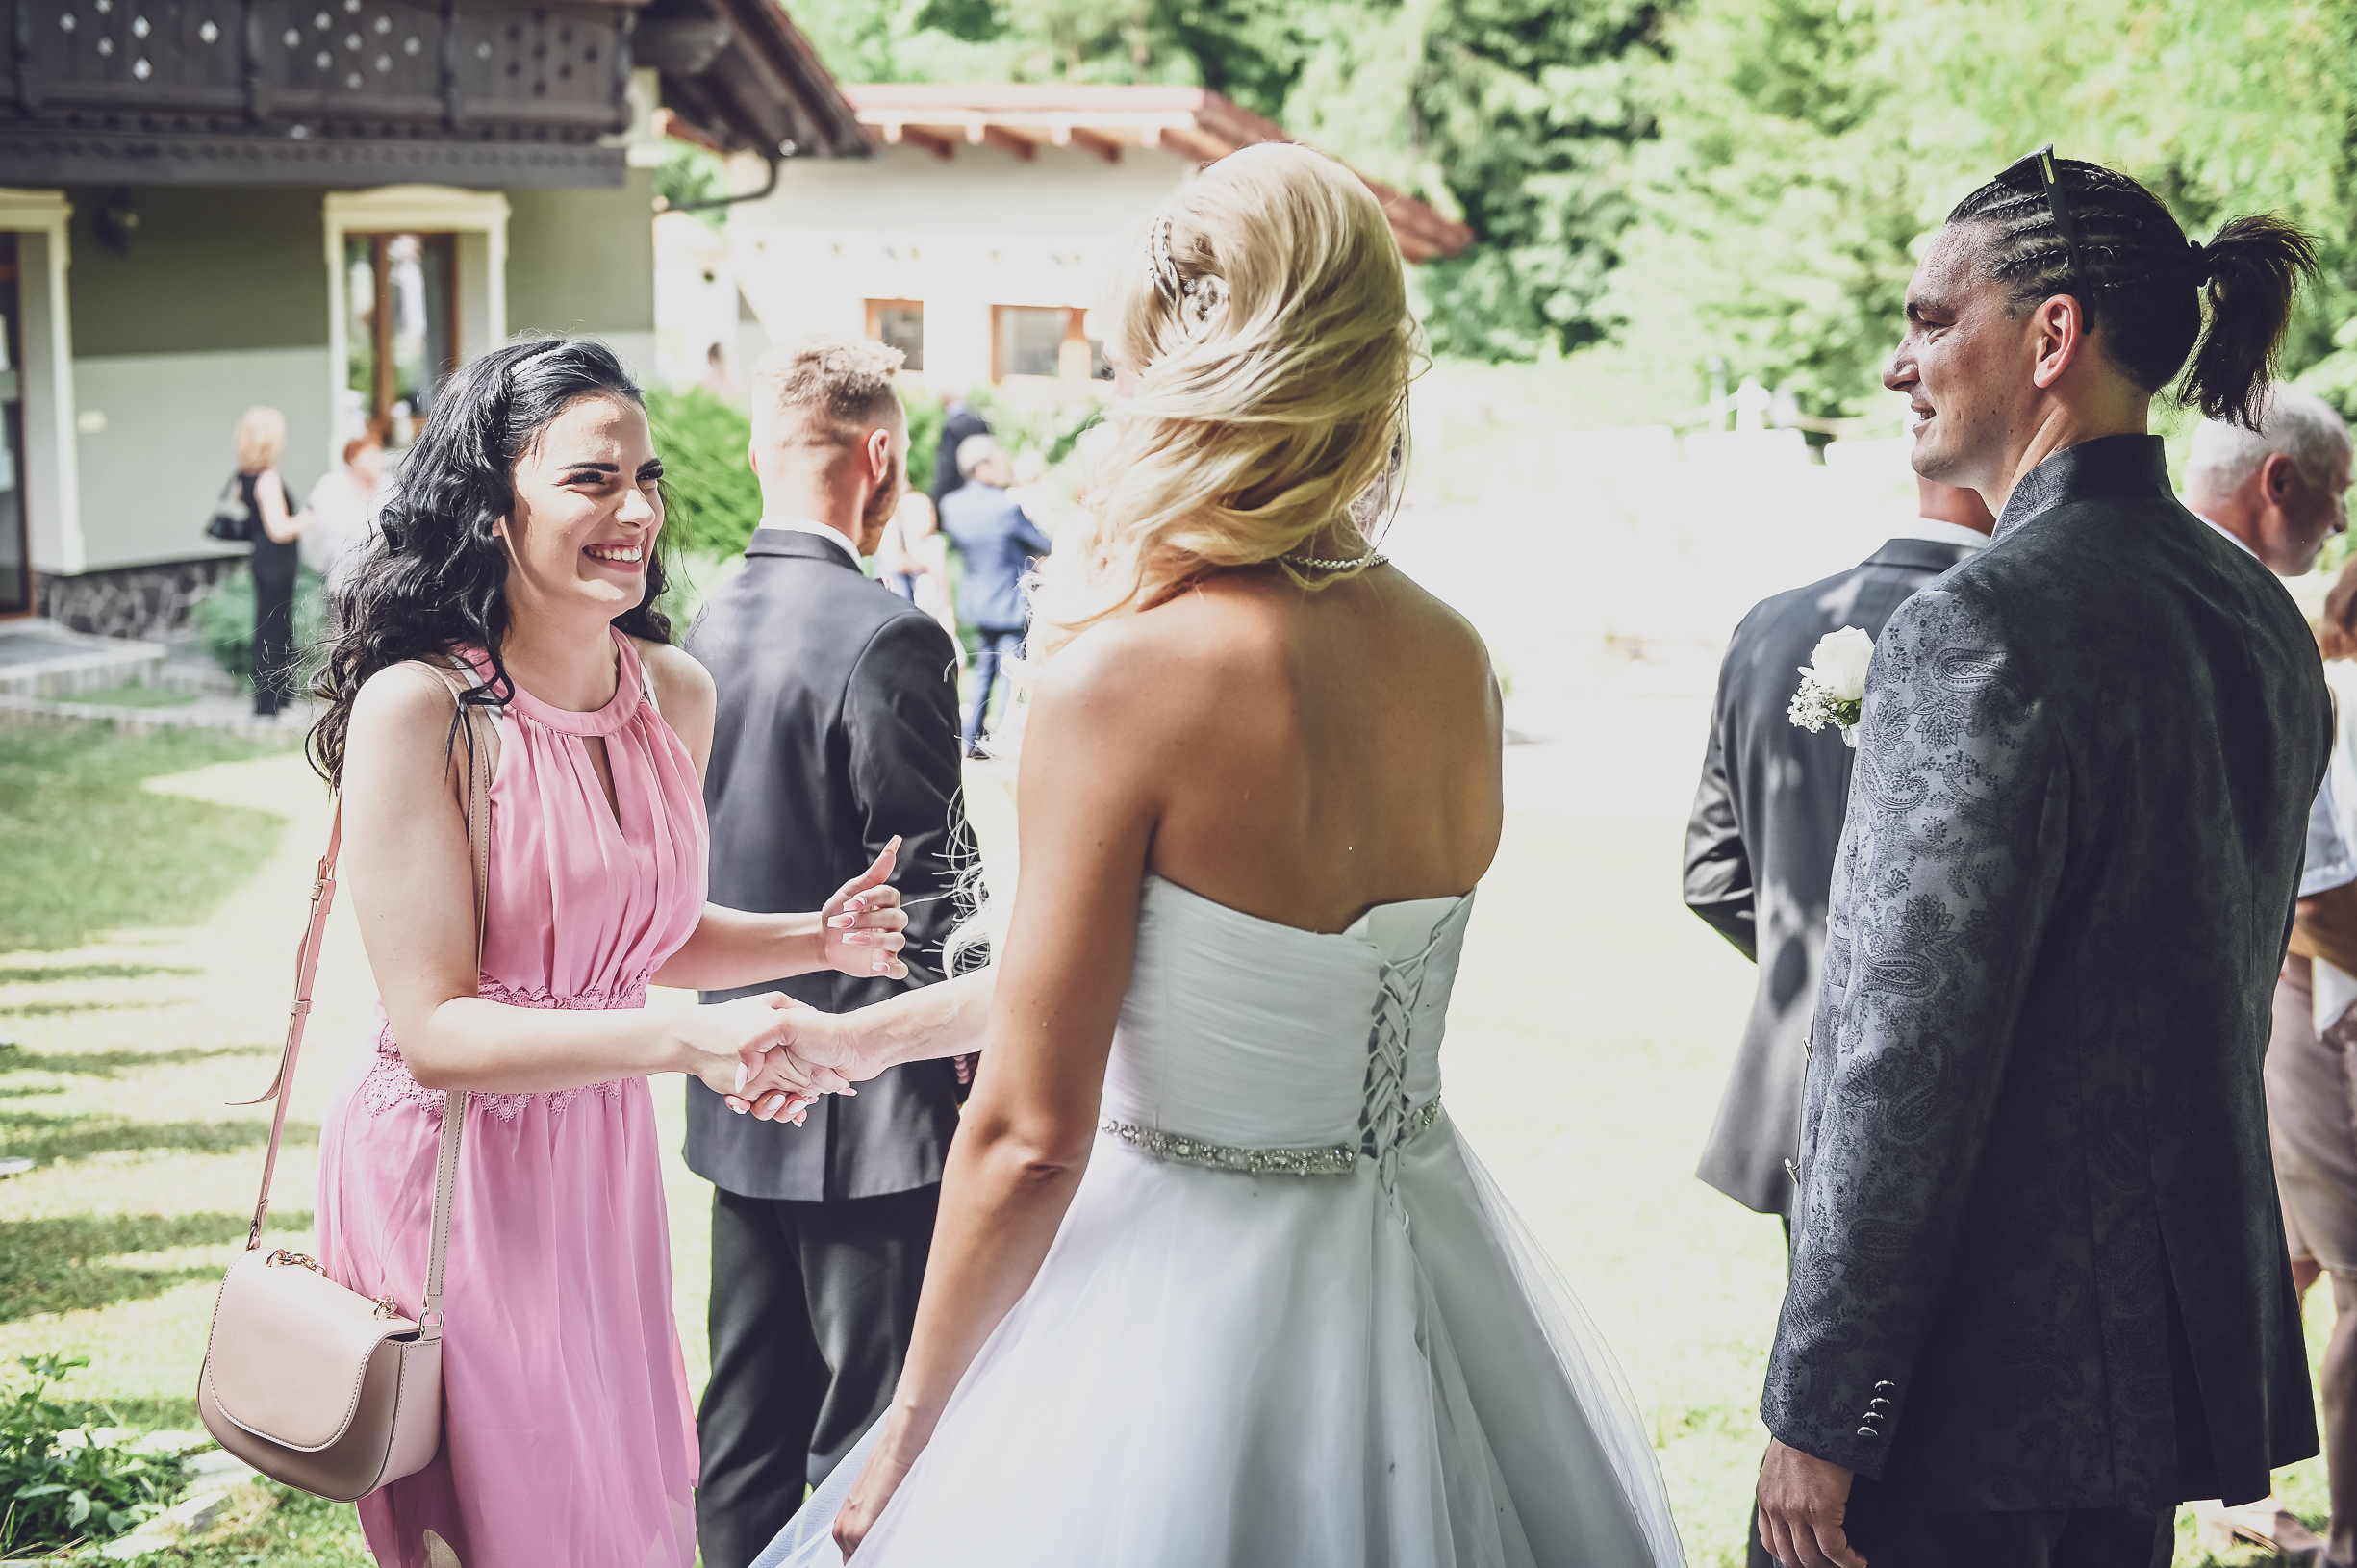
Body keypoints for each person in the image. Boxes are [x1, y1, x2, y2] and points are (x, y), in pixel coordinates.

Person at [732, 140, 1685, 1568]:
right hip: (1425, 1270)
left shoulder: (1127, 680)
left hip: (1178, 1304)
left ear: (1184, 383)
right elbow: (1203, 974)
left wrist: (912, 1430)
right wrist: (863, 1038)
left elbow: (1031, 1133)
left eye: (1124, 372)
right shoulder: (1454, 661)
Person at [1753, 149, 2330, 1568]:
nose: (1897, 363)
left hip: (1960, 1388)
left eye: (1930, 318)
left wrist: (1827, 1403)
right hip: (2144, 1382)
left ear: (2050, 334)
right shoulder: (2258, 616)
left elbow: (1901, 1053)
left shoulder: (1977, 625)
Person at [307, 337, 897, 1568]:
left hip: (597, 1154)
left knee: (624, 1496)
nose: (636, 511)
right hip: (453, 1165)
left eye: (646, 478)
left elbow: (636, 939)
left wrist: (813, 935)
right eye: (591, 479)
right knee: (515, 1518)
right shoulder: (420, 708)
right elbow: (437, 1029)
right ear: (491, 501)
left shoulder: (674, 692)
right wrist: (683, 1039)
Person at [680, 335, 974, 1568]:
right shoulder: (892, 635)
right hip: (872, 1103)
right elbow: (931, 882)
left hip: (736, 1077)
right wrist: (970, 1044)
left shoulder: (696, 621)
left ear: (757, 456)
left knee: (744, 1421)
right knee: (871, 1435)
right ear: (882, 457)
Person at [1685, 476, 1993, 1238]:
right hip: (1971, 1102)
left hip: (1799, 1086)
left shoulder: (1768, 625)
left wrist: (1831, 985)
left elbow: (1712, 875)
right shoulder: (2009, 628)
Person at [2184, 388, 2357, 1564]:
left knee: (2284, 1252)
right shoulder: (2250, 623)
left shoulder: (2140, 585)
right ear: (2277, 482)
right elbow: (2314, 885)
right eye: (2333, 494)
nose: (2339, 523)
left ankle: (2229, 1492)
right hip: (2288, 995)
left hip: (2224, 1008)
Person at [938, 436, 1053, 757]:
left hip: (976, 600)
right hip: (1009, 600)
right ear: (983, 467)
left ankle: (971, 739)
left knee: (982, 670)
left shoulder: (951, 506)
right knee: (1009, 674)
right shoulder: (1006, 507)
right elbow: (1043, 543)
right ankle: (998, 741)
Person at [233, 406, 311, 719]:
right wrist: (309, 518)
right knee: (276, 629)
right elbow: (279, 529)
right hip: (277, 562)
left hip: (262, 559)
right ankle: (271, 703)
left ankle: (272, 700)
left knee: (269, 626)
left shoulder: (245, 475)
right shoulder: (267, 478)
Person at [302, 436, 386, 597]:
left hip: (380, 580)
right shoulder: (332, 486)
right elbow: (322, 526)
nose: (375, 461)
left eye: (377, 455)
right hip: (343, 578)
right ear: (352, 460)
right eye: (369, 457)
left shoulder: (388, 485)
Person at [929, 396, 990, 512]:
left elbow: (947, 469)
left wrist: (936, 503)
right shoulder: (980, 422)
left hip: (957, 494)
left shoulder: (951, 427)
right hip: (984, 492)